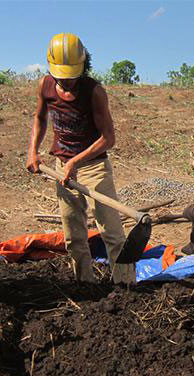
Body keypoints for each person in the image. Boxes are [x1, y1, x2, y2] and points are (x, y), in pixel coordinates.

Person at [26, 33, 135, 284]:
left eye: (72, 75)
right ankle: (83, 284)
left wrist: (75, 162)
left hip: (94, 167)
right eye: (61, 75)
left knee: (111, 231)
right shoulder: (45, 86)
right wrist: (33, 150)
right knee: (73, 233)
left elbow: (108, 138)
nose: (67, 81)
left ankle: (127, 287)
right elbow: (39, 118)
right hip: (62, 167)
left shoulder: (93, 91)